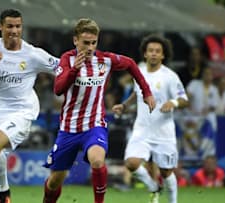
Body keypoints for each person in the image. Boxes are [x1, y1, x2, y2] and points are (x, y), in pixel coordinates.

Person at [42, 18, 155, 203]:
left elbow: (131, 64)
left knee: (97, 161)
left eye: (93, 43)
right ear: (75, 40)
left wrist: (147, 92)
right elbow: (58, 89)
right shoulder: (66, 59)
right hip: (68, 129)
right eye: (85, 43)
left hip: (94, 124)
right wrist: (74, 70)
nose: (90, 47)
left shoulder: (105, 60)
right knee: (55, 181)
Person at [0, 9, 59, 203]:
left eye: (18, 26)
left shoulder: (32, 54)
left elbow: (60, 68)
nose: (14, 30)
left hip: (22, 112)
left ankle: (5, 193)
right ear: (0, 27)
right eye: (10, 26)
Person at [112, 34, 189, 203]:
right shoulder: (138, 70)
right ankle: (153, 186)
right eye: (150, 51)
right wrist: (124, 105)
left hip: (164, 132)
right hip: (142, 129)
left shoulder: (170, 76)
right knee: (131, 163)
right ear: (145, 54)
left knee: (166, 172)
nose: (154, 54)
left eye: (157, 51)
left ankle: (172, 201)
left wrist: (173, 102)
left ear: (163, 55)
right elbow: (137, 92)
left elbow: (185, 100)